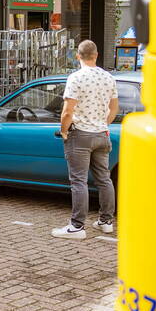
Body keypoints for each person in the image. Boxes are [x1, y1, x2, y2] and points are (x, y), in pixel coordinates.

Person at [52, 40, 119, 240]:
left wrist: (64, 131)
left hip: (80, 134)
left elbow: (67, 111)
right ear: (96, 55)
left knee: (78, 181)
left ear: (78, 56)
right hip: (102, 134)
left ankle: (77, 227)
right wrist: (102, 123)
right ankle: (106, 221)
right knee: (104, 179)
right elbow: (114, 108)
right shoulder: (108, 78)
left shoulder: (76, 78)